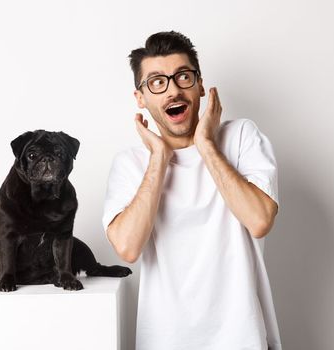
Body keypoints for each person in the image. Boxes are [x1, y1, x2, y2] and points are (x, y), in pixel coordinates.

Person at [102, 31, 282, 350]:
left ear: (200, 85)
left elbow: (259, 221)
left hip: (244, 340)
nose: (173, 91)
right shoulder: (130, 163)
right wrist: (159, 157)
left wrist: (206, 145)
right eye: (157, 82)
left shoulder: (241, 137)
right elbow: (128, 248)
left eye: (183, 77)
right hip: (165, 341)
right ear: (141, 98)